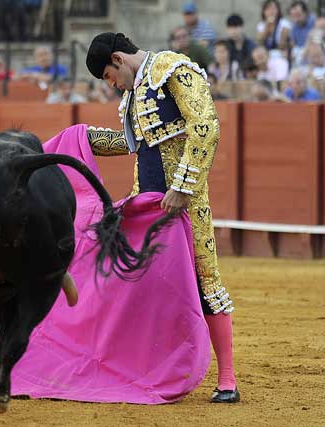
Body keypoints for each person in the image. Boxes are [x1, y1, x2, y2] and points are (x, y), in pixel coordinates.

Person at [84, 32, 239, 403]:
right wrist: (85, 140)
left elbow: (206, 125)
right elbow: (132, 143)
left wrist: (183, 188)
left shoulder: (174, 69)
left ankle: (228, 379)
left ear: (118, 59)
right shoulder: (133, 95)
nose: (112, 85)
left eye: (108, 76)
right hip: (148, 203)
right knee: (143, 286)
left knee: (205, 281)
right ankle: (146, 370)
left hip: (186, 203)